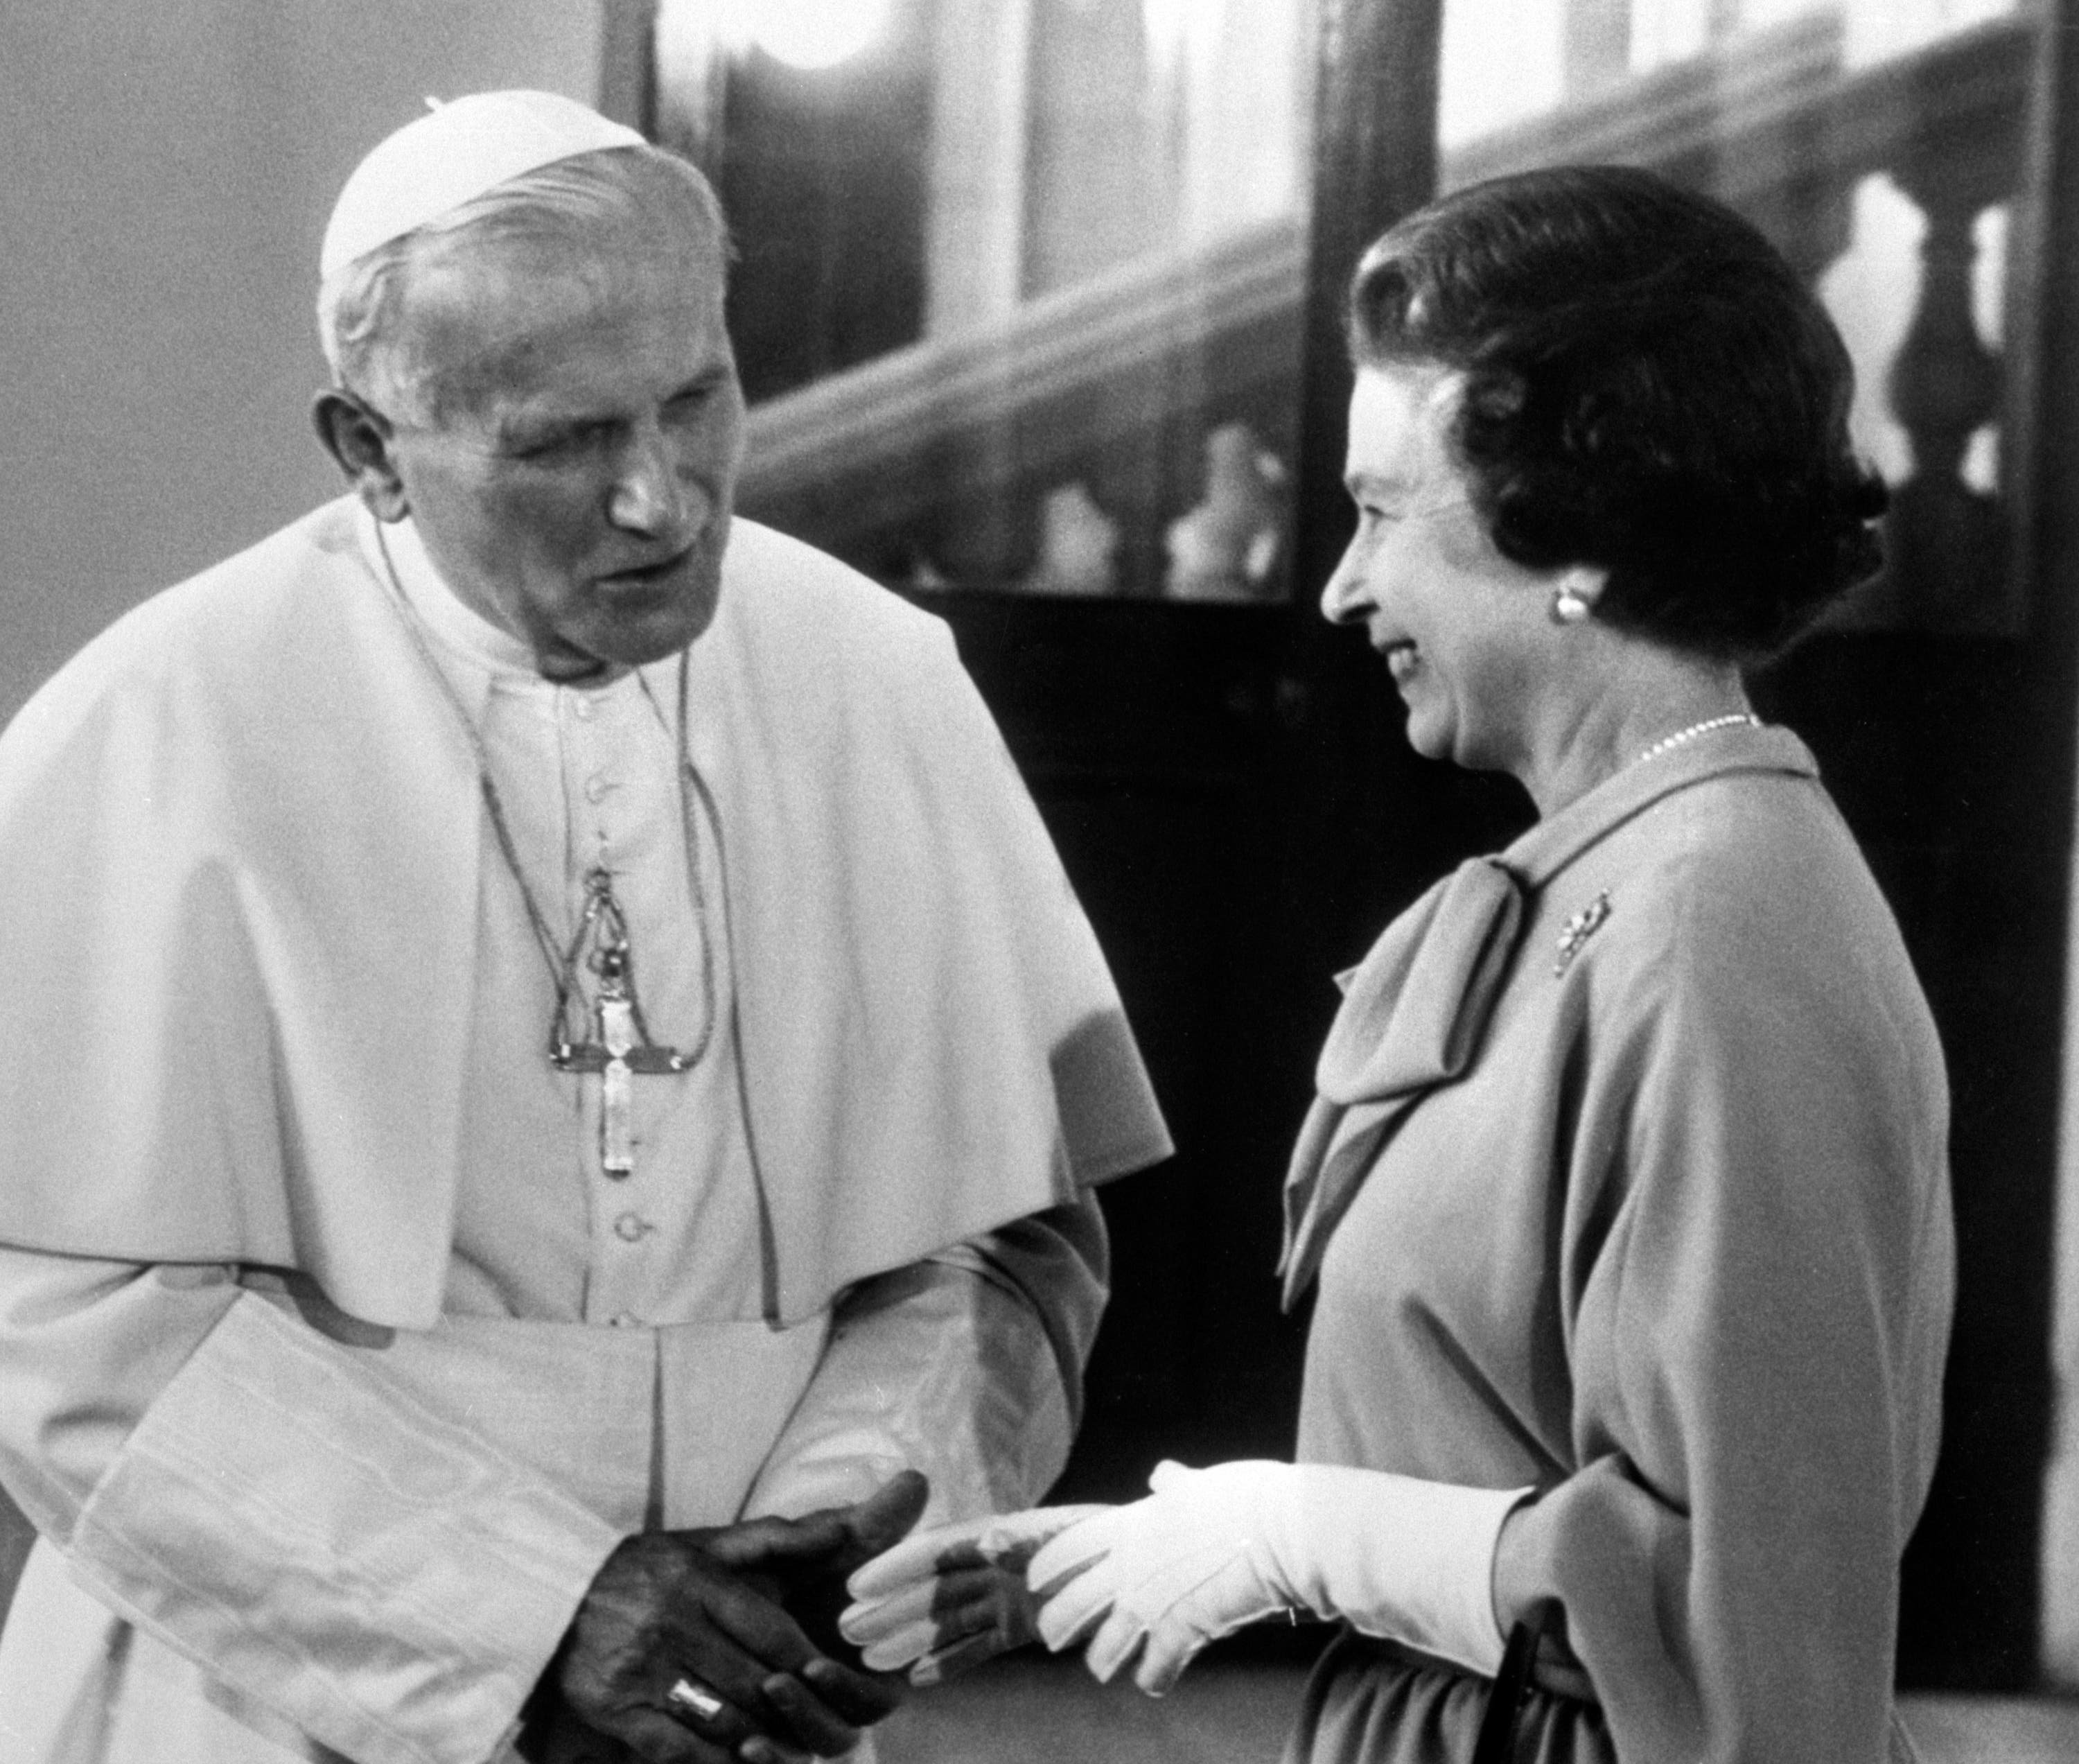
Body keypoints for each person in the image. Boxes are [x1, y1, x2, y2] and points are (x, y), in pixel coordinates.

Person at [0, 89, 1171, 1764]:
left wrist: (842, 1532)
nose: (661, 502)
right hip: (273, 1697)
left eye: (697, 399)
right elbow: (55, 1322)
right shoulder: (164, 726)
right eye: (560, 443)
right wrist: (539, 1605)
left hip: (753, 1702)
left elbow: (1000, 1240)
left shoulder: (873, 677)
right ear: (368, 453)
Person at [841, 164, 1954, 1764]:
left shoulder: (1723, 926)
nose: (1340, 585)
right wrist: (1174, 1550)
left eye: (1377, 510)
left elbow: (1758, 1644)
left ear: (1570, 531)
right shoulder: (1609, 875)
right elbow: (1489, 1461)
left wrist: (1302, 1531)